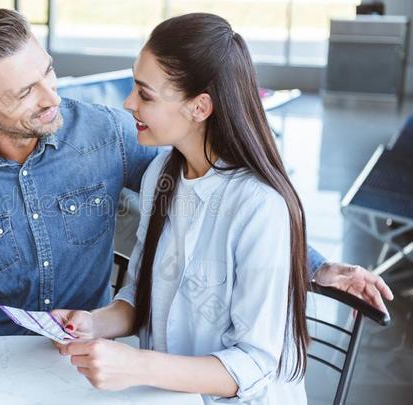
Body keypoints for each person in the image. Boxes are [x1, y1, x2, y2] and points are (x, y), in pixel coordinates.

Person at [0, 8, 393, 340]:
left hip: (88, 347)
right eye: (25, 93)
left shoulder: (103, 132)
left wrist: (315, 265)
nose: (52, 97)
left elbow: (219, 185)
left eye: (49, 72)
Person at [51, 13, 390, 404]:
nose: (129, 103)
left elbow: (253, 363)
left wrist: (136, 365)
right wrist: (93, 323)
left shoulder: (259, 205)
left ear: (200, 108)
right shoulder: (161, 174)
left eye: (145, 94)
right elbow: (139, 295)